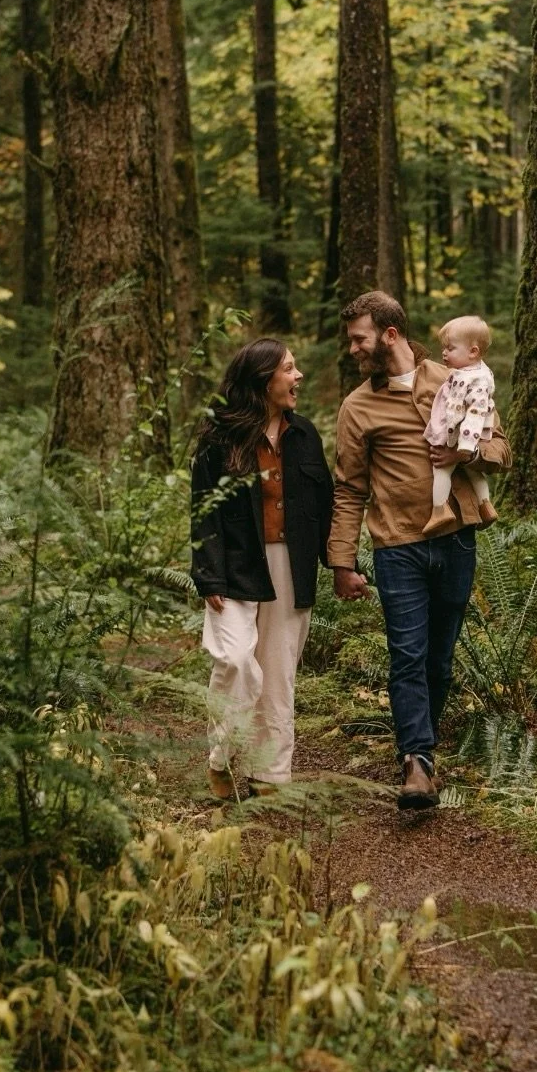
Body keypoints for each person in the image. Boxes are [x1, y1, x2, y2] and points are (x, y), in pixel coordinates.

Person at [328, 291, 512, 810]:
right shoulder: (358, 407)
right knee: (407, 654)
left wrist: (465, 451)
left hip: (456, 540)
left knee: (440, 659)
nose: (353, 350)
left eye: (359, 339)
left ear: (390, 335)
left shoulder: (456, 378)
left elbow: (501, 447)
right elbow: (347, 489)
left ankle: (423, 746)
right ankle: (417, 760)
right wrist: (342, 561)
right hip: (398, 548)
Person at [190, 339, 333, 799]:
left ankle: (270, 774)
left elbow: (324, 504)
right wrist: (208, 573)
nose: (298, 377)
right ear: (263, 379)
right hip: (234, 566)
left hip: (290, 565)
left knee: (278, 672)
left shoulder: (304, 434)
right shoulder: (219, 437)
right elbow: (203, 511)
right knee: (235, 660)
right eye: (290, 369)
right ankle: (223, 760)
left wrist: (343, 563)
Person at [422, 315, 497, 537]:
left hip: (460, 436)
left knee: (441, 470)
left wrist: (463, 446)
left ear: (473, 351)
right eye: (444, 348)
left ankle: (439, 510)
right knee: (473, 472)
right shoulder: (472, 372)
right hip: (465, 435)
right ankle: (485, 504)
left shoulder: (475, 380)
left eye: (450, 348)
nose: (444, 353)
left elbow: (474, 413)